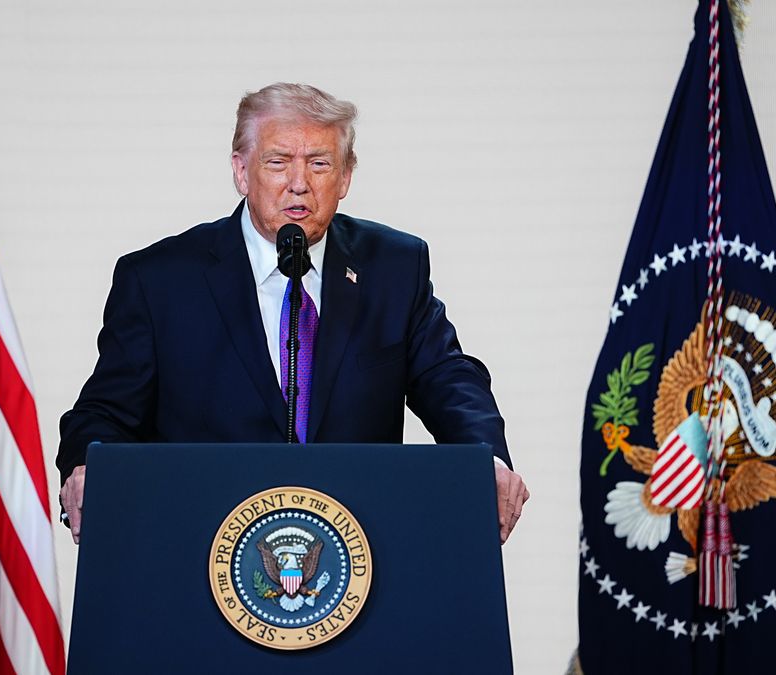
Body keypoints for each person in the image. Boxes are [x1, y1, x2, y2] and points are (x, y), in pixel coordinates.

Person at [57, 82, 528, 545]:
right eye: (278, 162)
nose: (299, 183)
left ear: (345, 177)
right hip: (200, 543)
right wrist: (87, 464)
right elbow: (104, 412)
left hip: (359, 546)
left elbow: (449, 379)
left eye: (319, 164)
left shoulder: (393, 266)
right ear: (242, 172)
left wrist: (485, 459)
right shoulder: (159, 280)